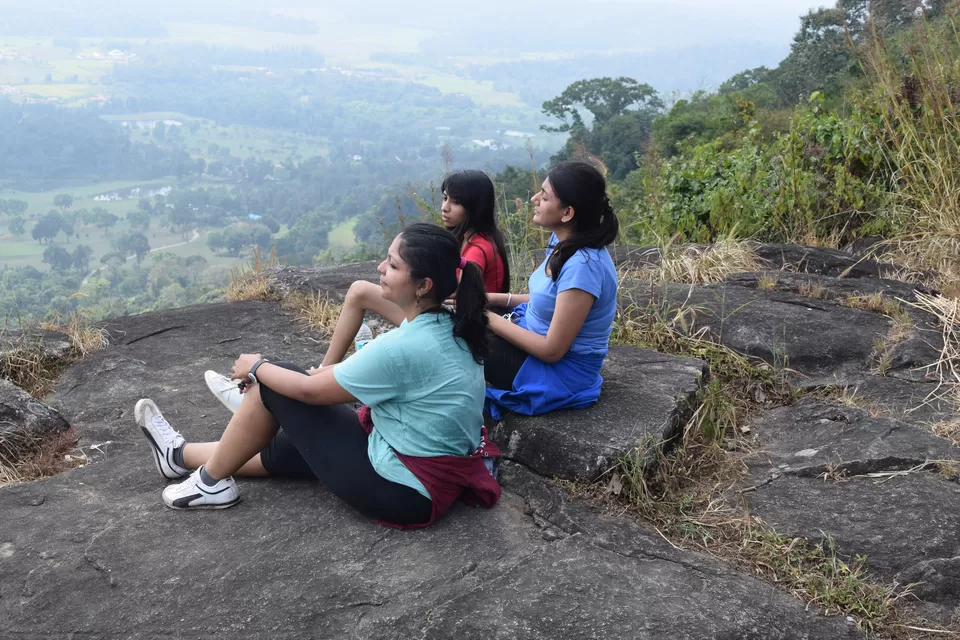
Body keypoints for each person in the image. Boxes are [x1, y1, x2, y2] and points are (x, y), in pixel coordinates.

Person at [134, 223, 500, 528]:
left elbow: (309, 391)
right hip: (418, 463)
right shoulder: (451, 325)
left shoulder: (405, 346)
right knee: (291, 448)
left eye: (392, 264)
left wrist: (255, 367)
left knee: (279, 385)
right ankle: (178, 456)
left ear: (423, 285)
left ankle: (211, 483)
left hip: (407, 491)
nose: (380, 269)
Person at [203, 169, 510, 409]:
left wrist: (260, 368)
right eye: (444, 197)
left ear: (475, 207)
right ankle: (325, 369)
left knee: (361, 295)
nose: (444, 207)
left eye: (454, 202)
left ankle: (306, 378)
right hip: (447, 319)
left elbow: (453, 292)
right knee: (360, 290)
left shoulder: (476, 250)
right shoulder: (471, 241)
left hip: (452, 320)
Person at [481, 161, 619, 419]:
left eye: (543, 197)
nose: (534, 199)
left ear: (567, 213)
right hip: (531, 333)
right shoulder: (564, 241)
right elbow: (550, 302)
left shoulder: (583, 266)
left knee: (460, 336)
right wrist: (490, 299)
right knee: (461, 314)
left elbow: (552, 351)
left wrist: (485, 317)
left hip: (558, 372)